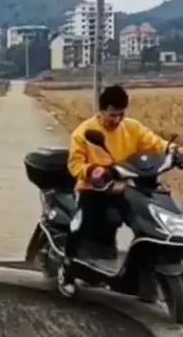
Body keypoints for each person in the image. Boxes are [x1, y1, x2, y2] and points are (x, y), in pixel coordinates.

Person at [66, 83, 169, 263]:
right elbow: (75, 164)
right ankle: (68, 267)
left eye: (121, 114)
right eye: (112, 115)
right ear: (102, 111)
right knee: (84, 226)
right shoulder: (83, 133)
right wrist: (92, 171)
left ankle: (146, 264)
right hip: (93, 189)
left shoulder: (132, 128)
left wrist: (173, 150)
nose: (117, 119)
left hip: (125, 188)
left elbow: (155, 143)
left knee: (149, 221)